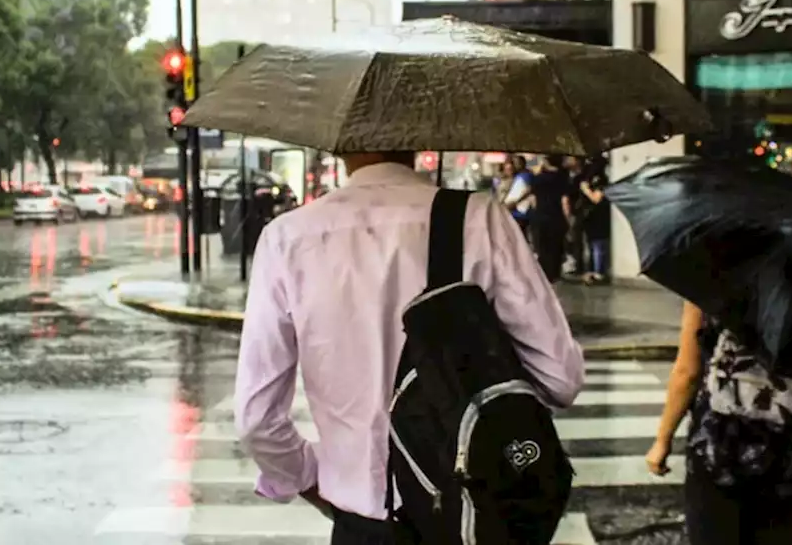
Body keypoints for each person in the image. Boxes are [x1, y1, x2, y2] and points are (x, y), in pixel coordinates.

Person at [234, 150, 585, 545]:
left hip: (363, 526)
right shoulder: (477, 219)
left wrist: (309, 477)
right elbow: (561, 377)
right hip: (471, 515)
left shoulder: (287, 237)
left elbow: (257, 421)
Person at [647, 302, 792, 545]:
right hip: (786, 447)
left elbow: (688, 372)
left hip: (721, 444)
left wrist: (662, 440)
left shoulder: (712, 280)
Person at [520, 154, 572, 283]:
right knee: (556, 247)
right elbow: (565, 200)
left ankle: (545, 275)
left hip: (540, 216)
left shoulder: (537, 179)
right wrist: (568, 219)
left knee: (542, 247)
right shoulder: (563, 177)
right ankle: (555, 274)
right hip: (556, 216)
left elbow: (533, 199)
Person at [577, 156, 611, 285]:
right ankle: (592, 271)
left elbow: (596, 199)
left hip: (598, 216)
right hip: (589, 217)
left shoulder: (601, 180)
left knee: (598, 245)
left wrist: (586, 190)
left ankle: (599, 273)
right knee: (591, 245)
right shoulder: (589, 178)